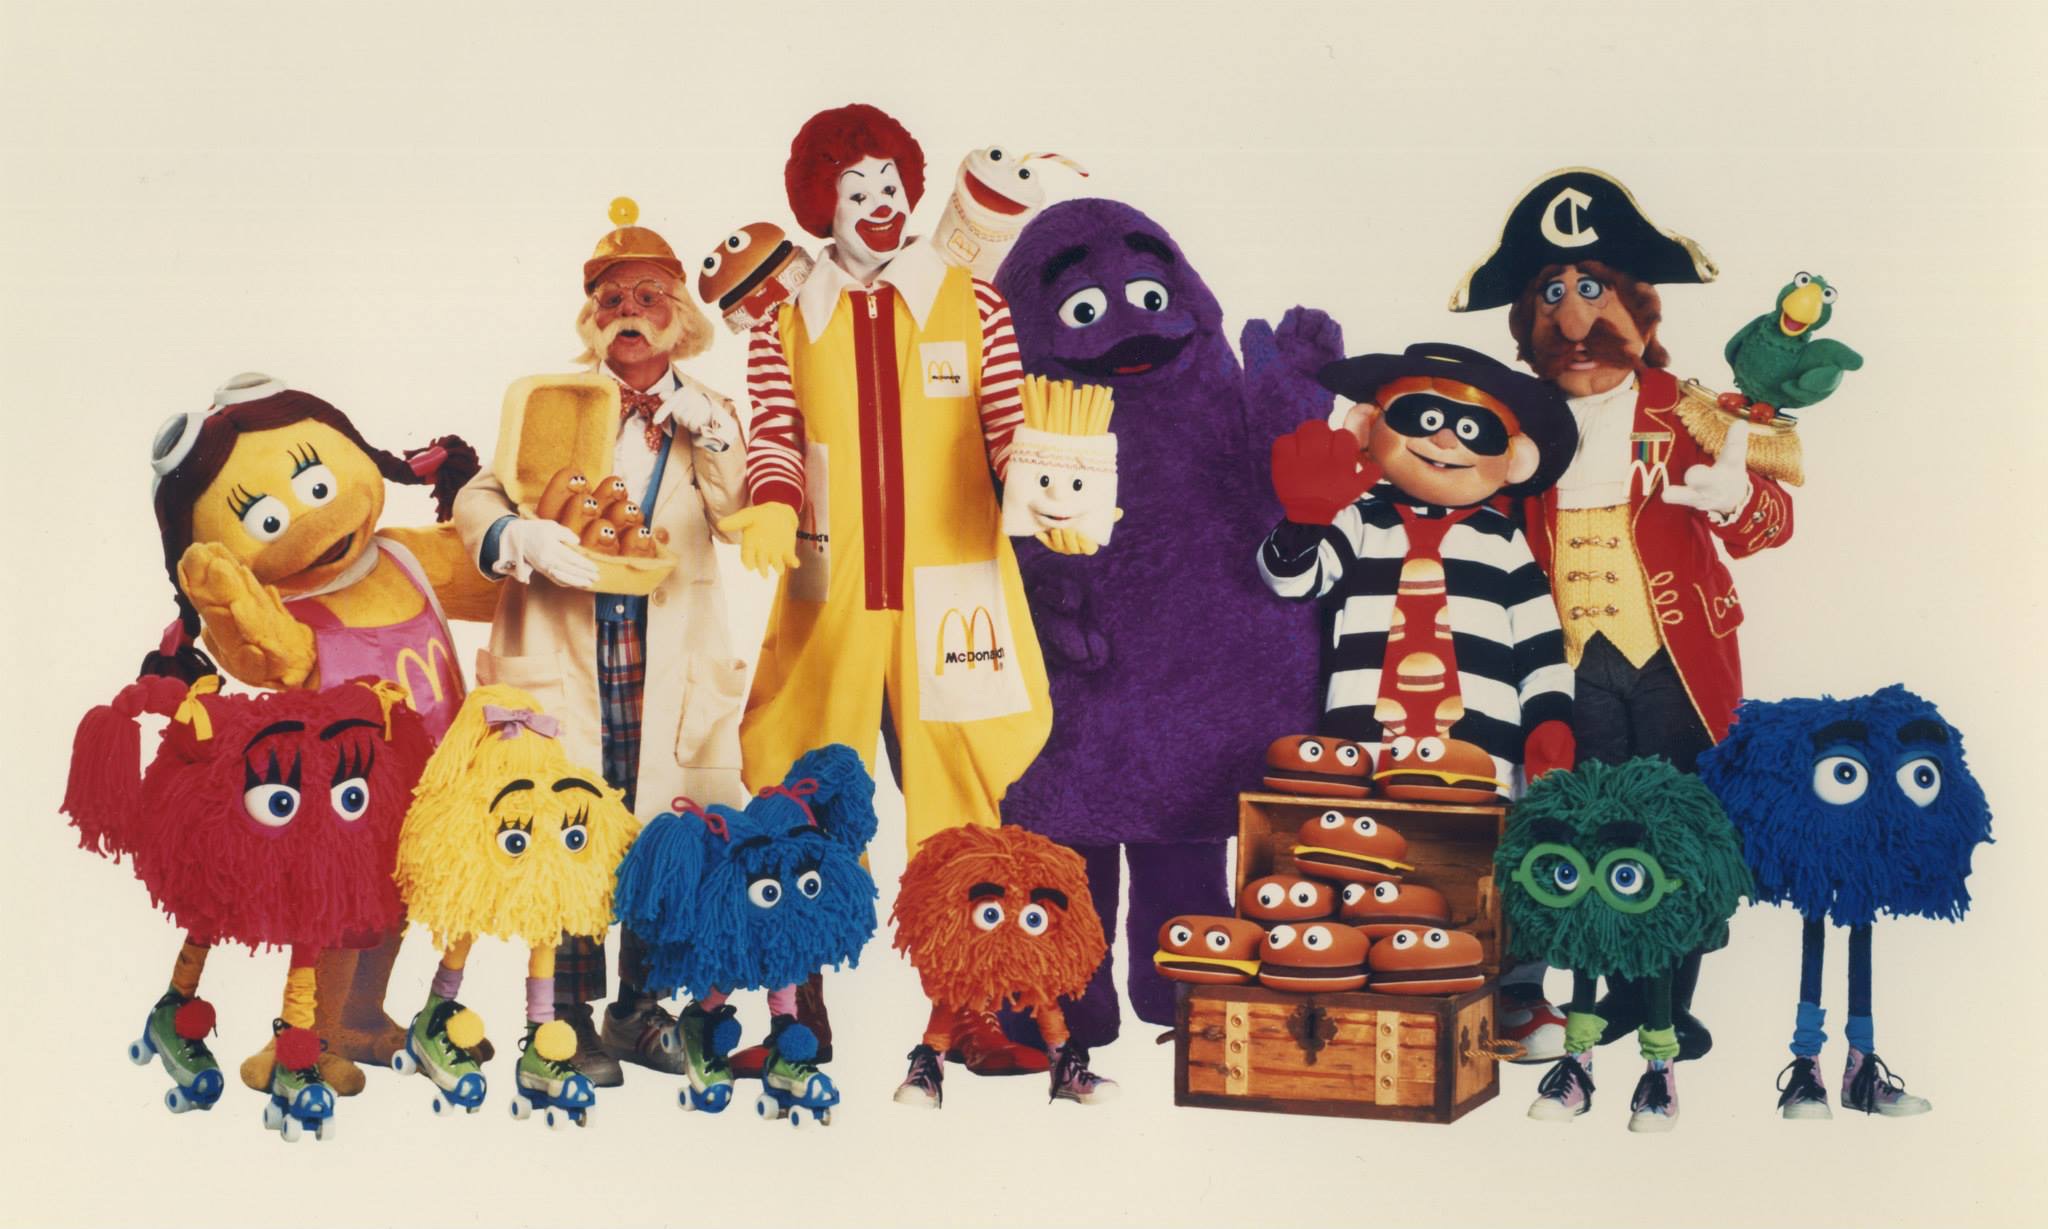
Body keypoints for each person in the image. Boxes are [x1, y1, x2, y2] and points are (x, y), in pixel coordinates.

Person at [721, 103, 1064, 1081]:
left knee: (961, 798)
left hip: (953, 589)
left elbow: (1007, 428)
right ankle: (797, 1014)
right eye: (853, 190)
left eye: (889, 185)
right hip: (827, 591)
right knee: (799, 793)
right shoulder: (783, 322)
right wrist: (772, 503)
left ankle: (976, 1009)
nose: (877, 204)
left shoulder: (977, 304)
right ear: (819, 208)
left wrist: (1050, 491)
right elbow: (775, 435)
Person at [1450, 167, 1798, 1070]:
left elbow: (1773, 522)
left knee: (1677, 830)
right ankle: (1588, 1000)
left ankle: (1666, 1006)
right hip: (1566, 664)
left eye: (1593, 289)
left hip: (1675, 662)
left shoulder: (1690, 410)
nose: (1574, 318)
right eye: (1551, 294)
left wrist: (1733, 498)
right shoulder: (1515, 422)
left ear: (1639, 309)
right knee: (1581, 828)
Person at [453, 199, 749, 1086]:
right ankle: (566, 1016)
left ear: (680, 317)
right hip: (567, 636)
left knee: (664, 827)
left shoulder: (712, 412)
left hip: (669, 651)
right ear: (591, 316)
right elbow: (481, 490)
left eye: (649, 297)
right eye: (613, 298)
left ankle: (640, 1007)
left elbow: (739, 512)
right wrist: (514, 535)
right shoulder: (556, 401)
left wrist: (713, 431)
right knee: (571, 818)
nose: (630, 312)